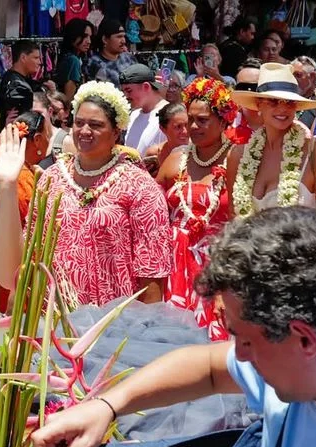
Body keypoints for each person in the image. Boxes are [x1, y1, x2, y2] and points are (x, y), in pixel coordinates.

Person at [32, 206, 316, 447]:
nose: (238, 356)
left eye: (245, 340)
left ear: (304, 338)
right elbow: (208, 368)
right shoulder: (294, 374)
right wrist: (106, 406)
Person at [22, 81, 171, 306]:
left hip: (115, 318)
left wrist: (146, 323)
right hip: (55, 313)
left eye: (95, 125)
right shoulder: (51, 178)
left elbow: (152, 268)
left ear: (116, 132)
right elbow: (31, 247)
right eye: (79, 123)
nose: (84, 131)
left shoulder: (139, 186)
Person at [156, 79, 236, 341]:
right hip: (173, 266)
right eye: (190, 119)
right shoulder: (176, 158)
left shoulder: (237, 160)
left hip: (217, 269)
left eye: (202, 120)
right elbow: (152, 209)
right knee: (170, 341)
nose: (192, 127)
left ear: (224, 121)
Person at [227, 62, 316, 216]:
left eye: (289, 102)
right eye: (273, 101)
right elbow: (233, 217)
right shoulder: (238, 155)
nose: (282, 109)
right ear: (258, 105)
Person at [120, 64, 168, 156]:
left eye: (129, 91)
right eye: (123, 91)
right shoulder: (133, 115)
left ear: (146, 87)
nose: (125, 96)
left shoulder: (170, 114)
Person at [0, 40, 43, 121]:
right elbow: (20, 120)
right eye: (36, 58)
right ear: (23, 57)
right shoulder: (16, 85)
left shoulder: (19, 80)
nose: (39, 62)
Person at [85, 19, 136, 88]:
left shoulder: (129, 59)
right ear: (105, 39)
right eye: (119, 37)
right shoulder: (93, 63)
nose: (123, 41)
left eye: (123, 36)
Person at [54, 18, 94, 102]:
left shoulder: (78, 59)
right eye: (84, 36)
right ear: (73, 36)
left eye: (90, 37)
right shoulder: (73, 60)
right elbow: (69, 99)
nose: (89, 41)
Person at [144, 102, 188, 176]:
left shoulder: (199, 150)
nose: (185, 131)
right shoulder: (155, 154)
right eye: (178, 127)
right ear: (163, 129)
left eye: (187, 125)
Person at [228, 58, 262, 144]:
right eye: (242, 87)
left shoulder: (280, 123)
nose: (248, 92)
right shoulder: (224, 123)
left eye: (255, 87)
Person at [291, 56, 316, 128]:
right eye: (291, 75)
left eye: (298, 75)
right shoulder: (284, 99)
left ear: (312, 77)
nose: (293, 79)